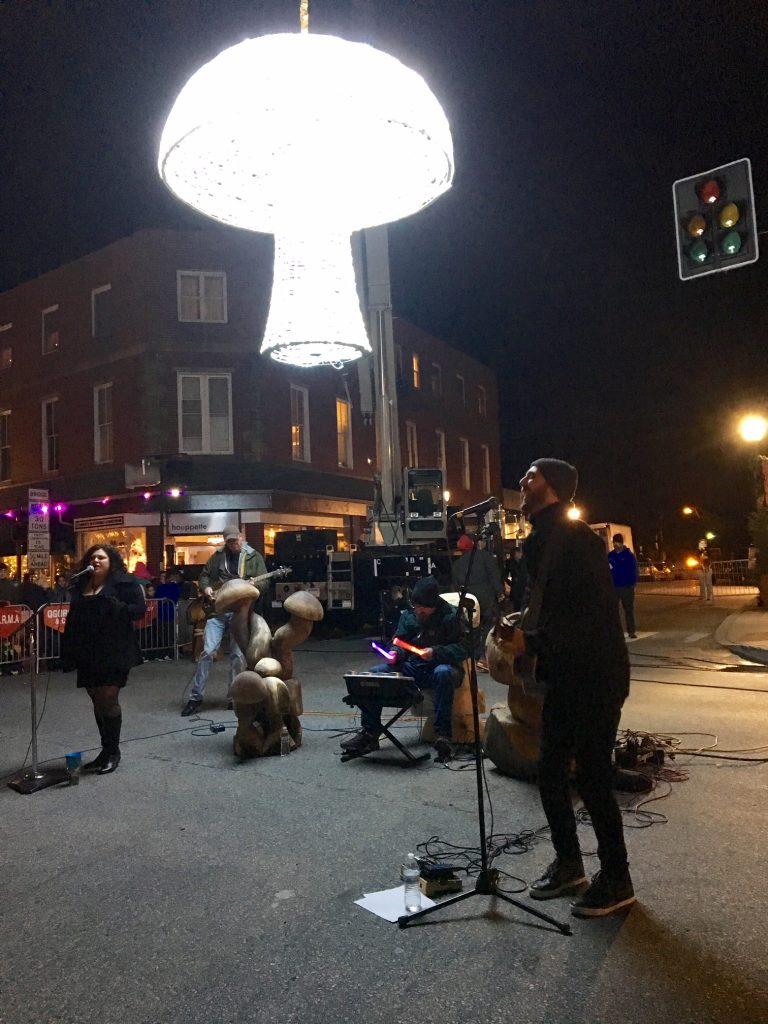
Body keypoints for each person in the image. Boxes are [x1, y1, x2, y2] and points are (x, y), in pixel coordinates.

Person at [506, 458, 634, 918]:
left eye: (531, 475)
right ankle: (569, 863)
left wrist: (533, 640)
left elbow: (589, 619)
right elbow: (549, 607)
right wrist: (519, 627)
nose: (523, 480)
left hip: (597, 674)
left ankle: (617, 878)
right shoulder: (541, 541)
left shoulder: (576, 540)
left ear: (554, 487)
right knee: (550, 769)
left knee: (594, 775)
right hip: (567, 674)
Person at [340, 575, 468, 761]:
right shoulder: (410, 615)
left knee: (443, 673)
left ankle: (443, 736)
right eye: (416, 606)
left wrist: (435, 652)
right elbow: (399, 641)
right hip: (412, 667)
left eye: (423, 608)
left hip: (440, 667)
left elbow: (465, 648)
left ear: (434, 604)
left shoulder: (451, 616)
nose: (419, 611)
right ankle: (370, 733)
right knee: (375, 674)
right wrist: (395, 654)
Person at [60, 545, 146, 775]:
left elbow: (139, 610)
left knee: (108, 697)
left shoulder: (124, 583)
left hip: (115, 649)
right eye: (93, 557)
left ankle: (113, 751)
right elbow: (73, 617)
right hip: (88, 650)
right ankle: (104, 750)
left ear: (111, 561)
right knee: (96, 699)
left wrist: (118, 608)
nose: (96, 560)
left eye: (101, 557)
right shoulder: (81, 585)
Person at [181, 526, 267, 716]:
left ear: (241, 537)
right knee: (207, 652)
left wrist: (254, 585)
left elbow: (265, 582)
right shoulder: (217, 556)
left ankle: (233, 697)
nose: (233, 545)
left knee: (237, 656)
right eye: (229, 542)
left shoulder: (254, 557)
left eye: (235, 541)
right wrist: (206, 589)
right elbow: (204, 575)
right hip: (218, 611)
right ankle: (196, 697)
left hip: (241, 612)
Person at [451, 533, 504, 671]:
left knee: (472, 629)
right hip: (486, 597)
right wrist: (500, 593)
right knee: (488, 626)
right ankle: (484, 658)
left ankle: (474, 658)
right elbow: (494, 575)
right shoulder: (485, 557)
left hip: (469, 600)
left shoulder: (457, 565)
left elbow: (455, 586)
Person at [608, 533, 639, 639]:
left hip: (627, 587)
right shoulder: (611, 556)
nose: (615, 545)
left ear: (621, 543)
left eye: (617, 543)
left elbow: (634, 570)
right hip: (615, 587)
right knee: (613, 610)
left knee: (628, 610)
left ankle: (631, 631)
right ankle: (615, 631)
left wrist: (633, 583)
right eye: (614, 543)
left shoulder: (629, 555)